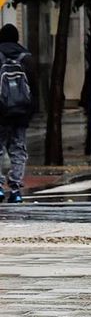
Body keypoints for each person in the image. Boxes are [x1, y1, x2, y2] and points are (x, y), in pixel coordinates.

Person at [0, 23, 38, 203]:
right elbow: (35, 90)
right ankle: (15, 189)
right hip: (21, 113)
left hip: (1, 113)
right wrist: (30, 113)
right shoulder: (27, 58)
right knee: (18, 150)